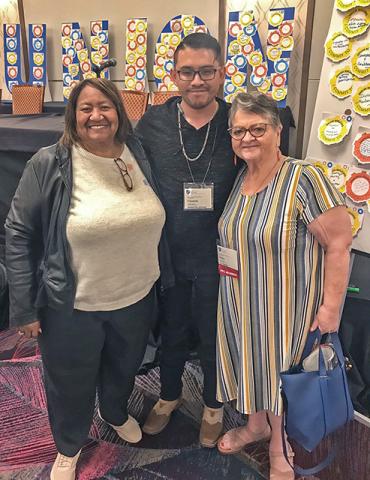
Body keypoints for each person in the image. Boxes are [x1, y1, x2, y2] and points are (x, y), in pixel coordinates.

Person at [5, 78, 172, 480]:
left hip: (135, 297)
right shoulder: (51, 162)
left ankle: (114, 412)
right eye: (85, 108)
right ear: (73, 116)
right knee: (69, 380)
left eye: (105, 106)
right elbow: (19, 233)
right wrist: (25, 306)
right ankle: (68, 444)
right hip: (72, 305)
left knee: (123, 368)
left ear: (119, 111)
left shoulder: (139, 153)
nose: (96, 115)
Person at [215, 92, 352, 479]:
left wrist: (330, 309)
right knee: (250, 367)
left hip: (284, 308)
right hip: (241, 301)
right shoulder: (241, 177)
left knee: (277, 377)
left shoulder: (303, 177)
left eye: (258, 128)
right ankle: (255, 426)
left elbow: (339, 243)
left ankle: (280, 448)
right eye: (239, 130)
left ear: (277, 130)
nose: (248, 137)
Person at [135, 33, 239, 448]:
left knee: (215, 333)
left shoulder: (237, 120)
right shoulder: (154, 122)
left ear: (222, 73)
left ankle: (214, 405)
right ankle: (169, 395)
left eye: (207, 72)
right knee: (173, 329)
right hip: (170, 252)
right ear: (174, 75)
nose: (197, 81)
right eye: (187, 72)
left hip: (222, 253)